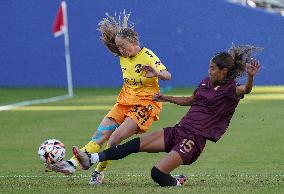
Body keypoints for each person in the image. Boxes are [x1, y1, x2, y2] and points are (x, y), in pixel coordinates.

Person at [72, 45, 262, 187]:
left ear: (224, 71)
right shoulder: (206, 83)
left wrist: (251, 76)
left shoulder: (231, 89)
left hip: (194, 140)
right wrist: (166, 97)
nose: (209, 71)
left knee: (157, 174)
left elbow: (246, 89)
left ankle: (176, 183)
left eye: (213, 68)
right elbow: (190, 100)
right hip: (179, 130)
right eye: (209, 67)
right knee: (134, 145)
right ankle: (91, 159)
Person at [46, 11, 171, 185]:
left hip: (145, 105)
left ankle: (98, 171)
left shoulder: (148, 56)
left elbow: (167, 75)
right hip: (124, 101)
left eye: (124, 47)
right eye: (118, 47)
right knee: (100, 135)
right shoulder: (122, 55)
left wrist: (155, 72)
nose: (121, 50)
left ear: (134, 42)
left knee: (114, 139)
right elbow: (118, 48)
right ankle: (71, 165)